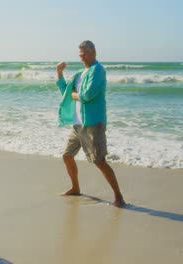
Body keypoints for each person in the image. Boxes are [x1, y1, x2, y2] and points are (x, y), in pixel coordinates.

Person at [55, 40, 125, 207]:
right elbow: (66, 91)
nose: (83, 58)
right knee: (67, 156)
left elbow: (86, 96)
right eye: (80, 55)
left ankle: (119, 197)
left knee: (99, 161)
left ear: (94, 52)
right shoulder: (80, 73)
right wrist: (59, 73)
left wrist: (72, 94)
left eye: (85, 54)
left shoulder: (98, 71)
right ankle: (75, 188)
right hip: (78, 124)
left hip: (93, 124)